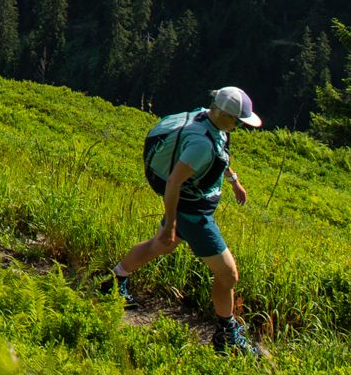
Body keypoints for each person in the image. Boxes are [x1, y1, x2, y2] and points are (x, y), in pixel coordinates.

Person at [106, 86, 264, 357]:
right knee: (228, 274)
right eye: (238, 121)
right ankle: (226, 335)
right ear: (225, 115)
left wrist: (234, 181)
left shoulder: (206, 119)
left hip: (188, 207)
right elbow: (174, 183)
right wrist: (172, 225)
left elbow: (221, 153)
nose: (239, 126)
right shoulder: (200, 145)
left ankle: (114, 280)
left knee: (161, 245)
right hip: (194, 213)